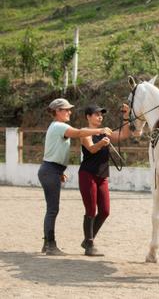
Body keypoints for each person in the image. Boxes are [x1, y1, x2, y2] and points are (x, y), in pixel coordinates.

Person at [38, 98, 112, 256]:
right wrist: (99, 131)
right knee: (52, 209)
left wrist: (59, 170)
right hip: (50, 170)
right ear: (58, 111)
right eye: (66, 109)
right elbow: (79, 133)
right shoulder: (59, 126)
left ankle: (47, 244)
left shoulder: (56, 126)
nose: (69, 112)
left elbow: (54, 152)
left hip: (52, 169)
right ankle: (50, 245)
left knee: (52, 209)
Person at [79, 103, 131, 256]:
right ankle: (89, 243)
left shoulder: (105, 131)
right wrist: (101, 143)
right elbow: (91, 148)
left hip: (102, 176)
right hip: (87, 174)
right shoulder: (85, 132)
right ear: (88, 117)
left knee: (105, 211)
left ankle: (88, 239)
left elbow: (124, 135)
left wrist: (126, 116)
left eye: (101, 114)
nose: (100, 116)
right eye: (96, 114)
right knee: (90, 209)